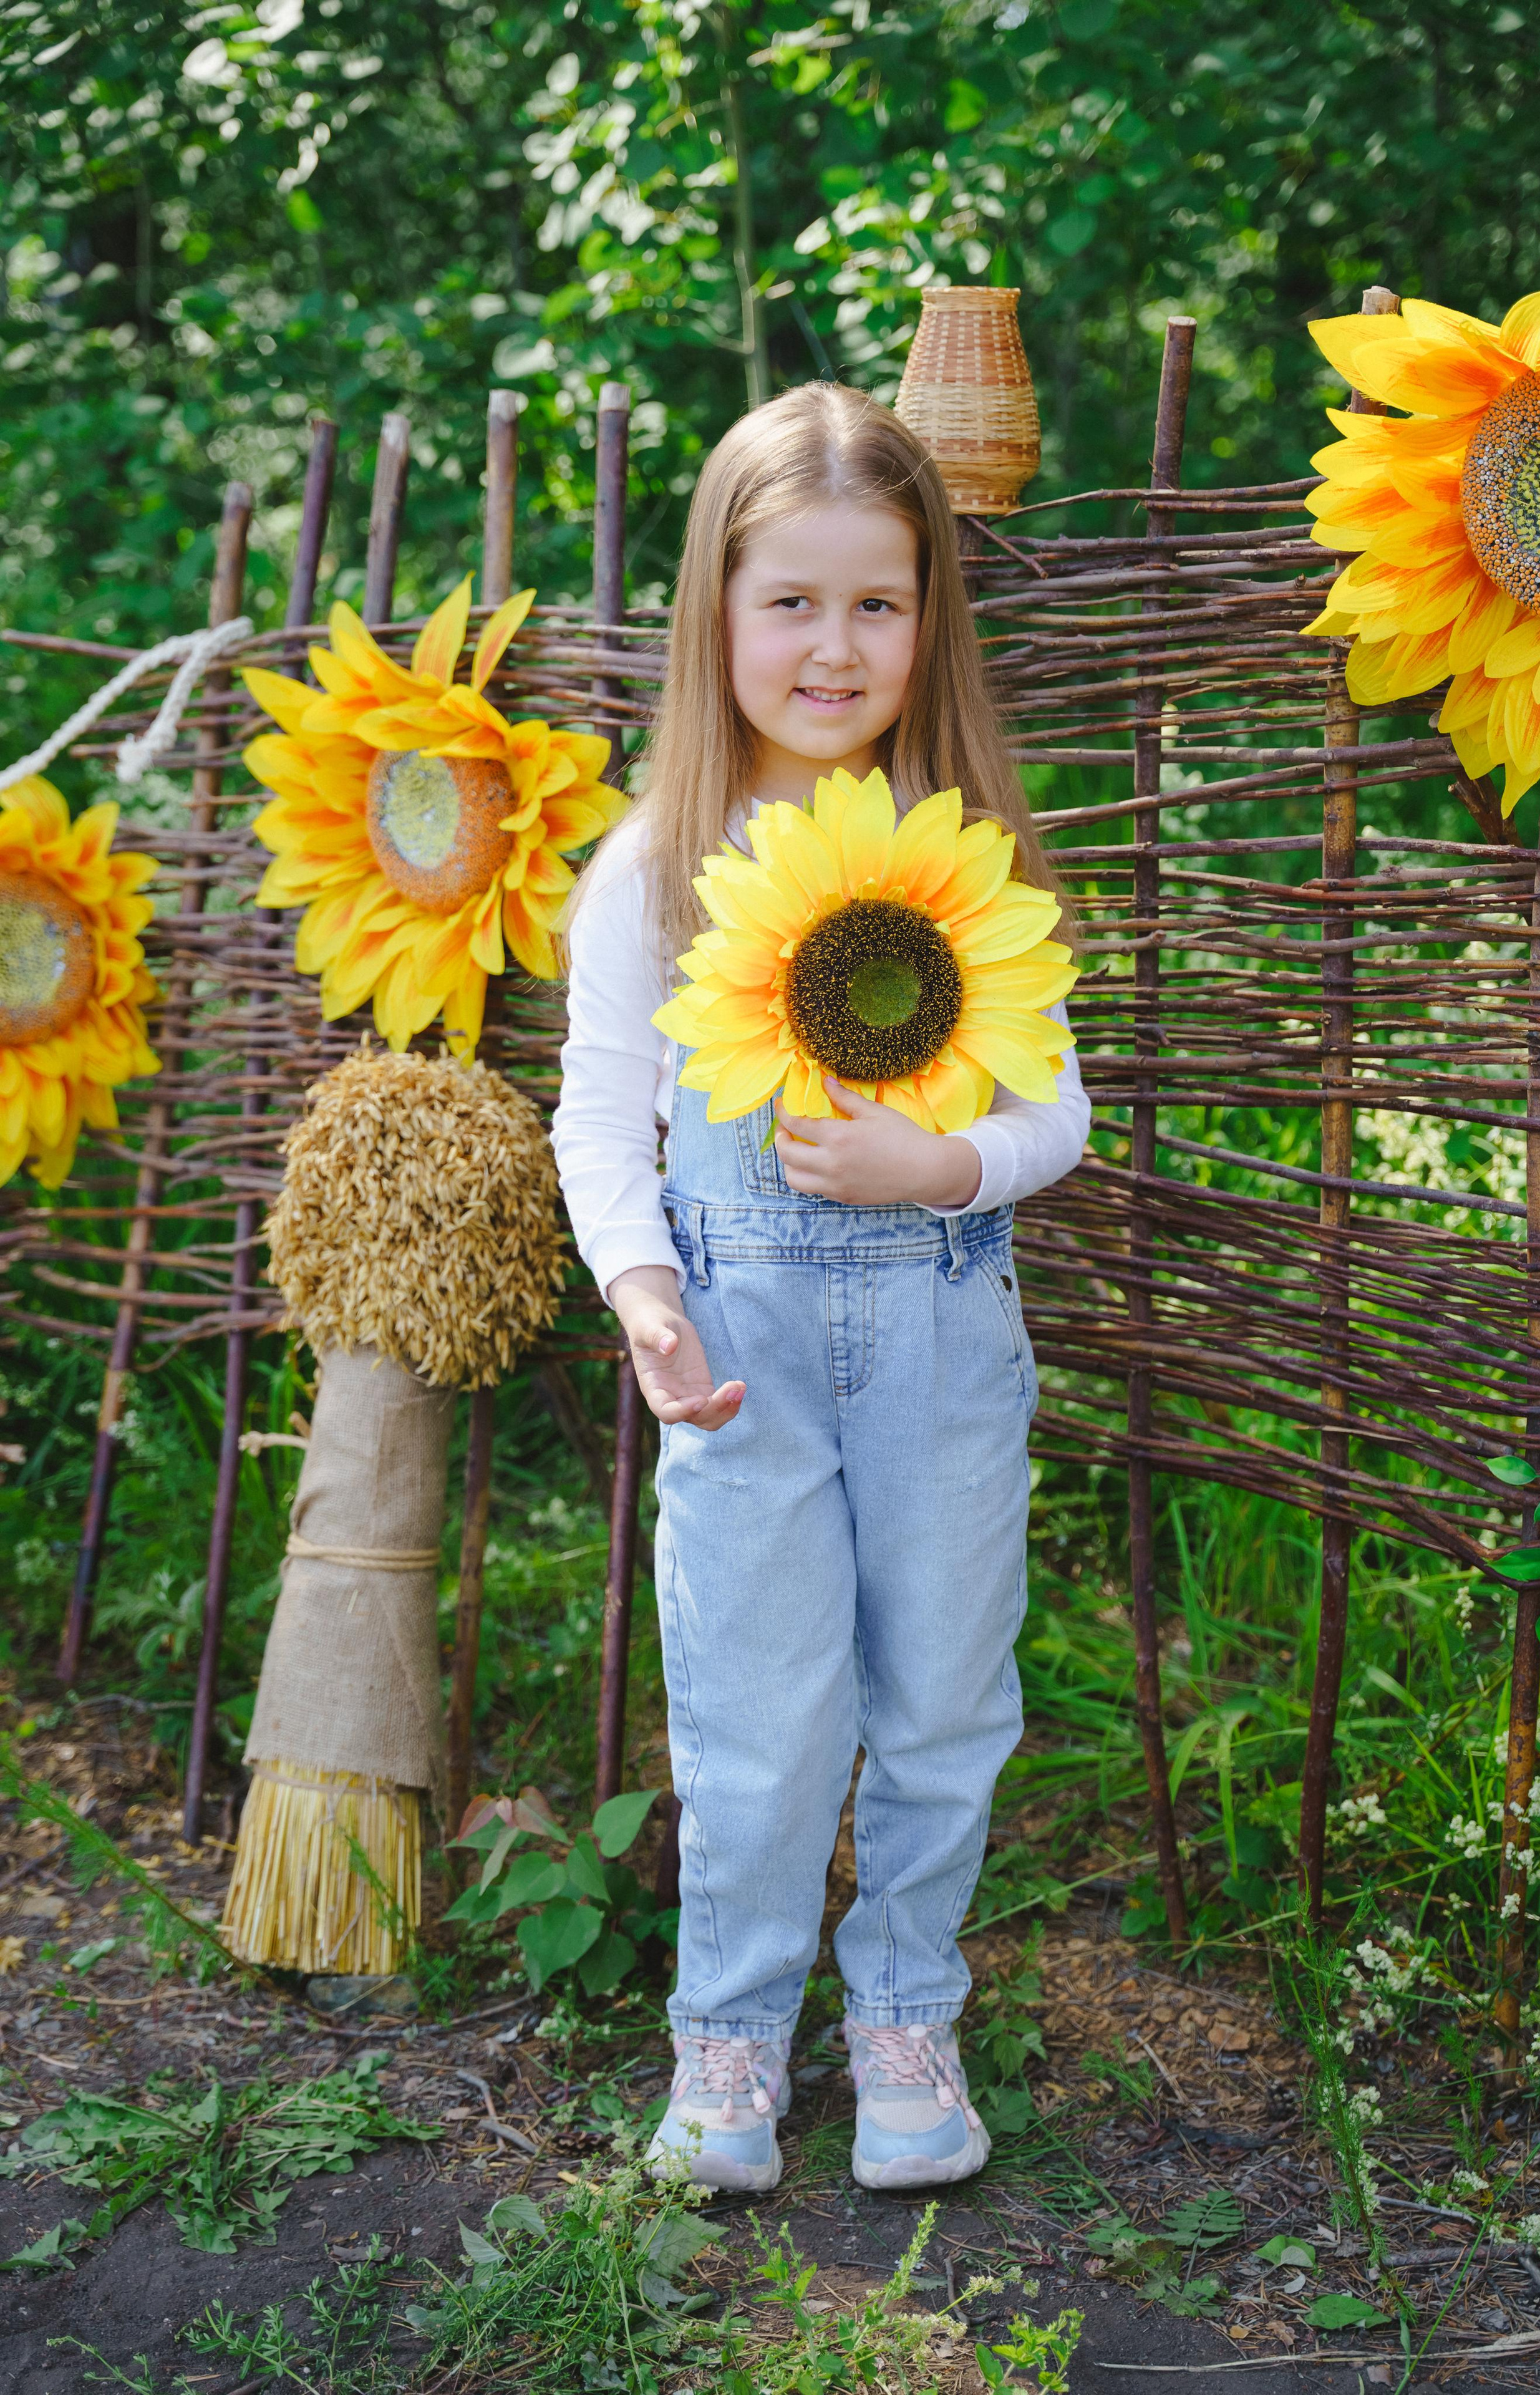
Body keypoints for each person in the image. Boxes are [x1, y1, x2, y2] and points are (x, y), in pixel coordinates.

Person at [552, 381, 1090, 2193]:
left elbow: (1056, 1113)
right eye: (792, 600)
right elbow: (597, 1122)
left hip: (944, 1333)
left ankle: (906, 2014)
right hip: (742, 1356)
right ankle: (732, 2036)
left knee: (945, 1699)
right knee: (757, 1712)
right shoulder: (650, 875)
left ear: (931, 618)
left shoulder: (959, 862)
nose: (835, 644)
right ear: (718, 608)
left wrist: (942, 1164)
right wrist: (642, 1295)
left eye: (878, 601)